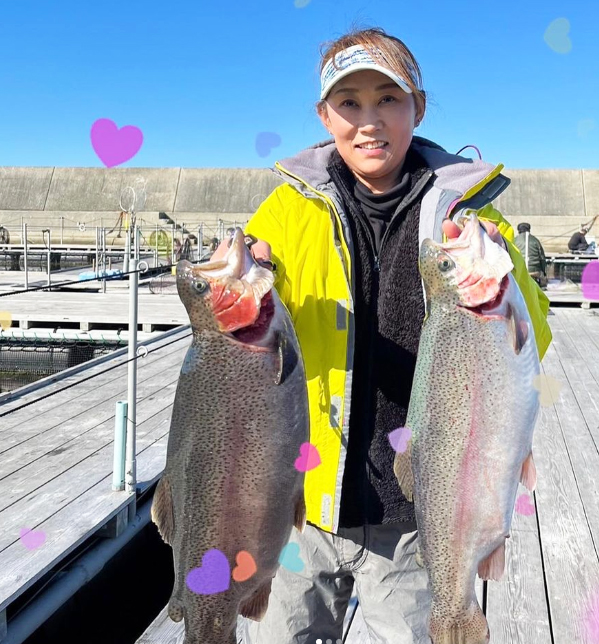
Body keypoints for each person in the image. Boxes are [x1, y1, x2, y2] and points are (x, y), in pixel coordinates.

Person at [216, 26, 552, 644]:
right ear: (325, 117)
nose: (369, 121)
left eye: (388, 99)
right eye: (350, 103)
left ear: (417, 108)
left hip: (418, 514)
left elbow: (535, 341)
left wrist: (508, 281)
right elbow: (241, 344)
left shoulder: (470, 217)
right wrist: (245, 289)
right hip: (302, 502)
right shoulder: (285, 212)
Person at [514, 222, 548, 288]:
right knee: (543, 284)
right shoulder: (535, 240)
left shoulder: (515, 240)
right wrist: (544, 273)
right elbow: (542, 258)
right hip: (534, 271)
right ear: (529, 230)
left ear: (518, 231)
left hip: (519, 270)